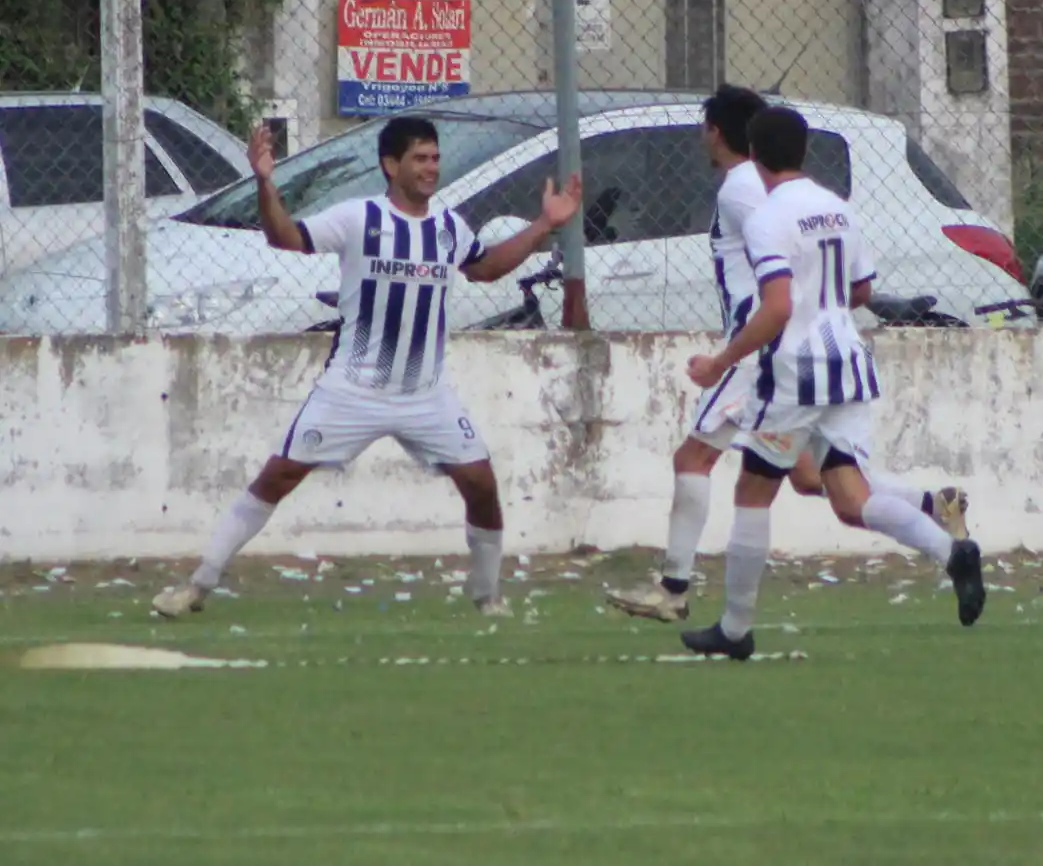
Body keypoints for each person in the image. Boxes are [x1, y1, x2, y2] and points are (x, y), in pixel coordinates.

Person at [152, 116, 582, 619]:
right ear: (390, 164)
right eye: (420, 159)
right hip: (352, 389)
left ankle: (488, 597)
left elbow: (485, 268)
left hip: (426, 394)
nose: (431, 168)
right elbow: (286, 236)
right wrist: (266, 181)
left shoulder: (447, 227)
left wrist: (544, 224)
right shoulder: (359, 218)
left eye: (435, 158)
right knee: (279, 475)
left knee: (482, 485)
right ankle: (200, 584)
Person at [606, 85, 968, 624]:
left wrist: (733, 353)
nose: (701, 139)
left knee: (695, 459)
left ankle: (677, 590)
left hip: (766, 355)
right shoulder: (776, 191)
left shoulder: (745, 191)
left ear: (721, 134)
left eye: (704, 129)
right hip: (801, 354)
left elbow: (785, 264)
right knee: (813, 480)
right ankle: (934, 509)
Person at [678, 105, 985, 659]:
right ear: (803, 152)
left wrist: (721, 362)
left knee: (753, 491)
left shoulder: (768, 218)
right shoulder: (835, 207)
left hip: (795, 373)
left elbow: (774, 309)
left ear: (753, 153)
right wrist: (824, 311)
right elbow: (861, 288)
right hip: (847, 362)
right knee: (850, 496)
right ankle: (951, 552)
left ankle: (734, 628)